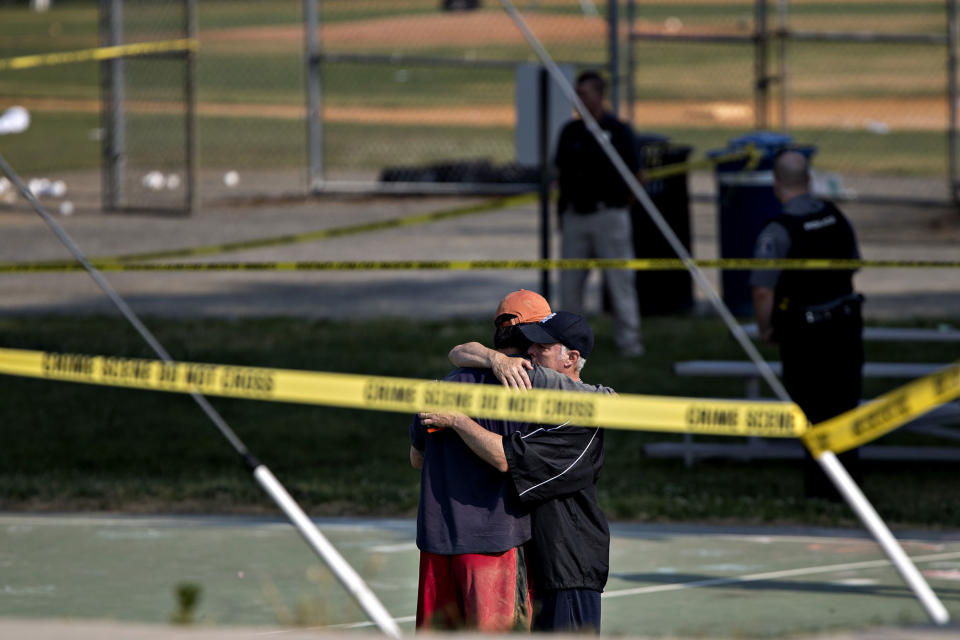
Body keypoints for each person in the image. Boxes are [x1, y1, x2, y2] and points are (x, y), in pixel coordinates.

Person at [409, 290, 609, 631]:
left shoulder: (446, 384)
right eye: (534, 339)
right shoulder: (529, 393)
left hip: (442, 543)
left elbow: (417, 457)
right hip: (497, 545)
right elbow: (506, 458)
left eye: (542, 344)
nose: (533, 349)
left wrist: (458, 420)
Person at [750, 150, 864, 500]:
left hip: (806, 336)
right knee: (845, 407)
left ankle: (821, 492)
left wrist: (766, 328)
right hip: (846, 328)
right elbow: (853, 266)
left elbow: (762, 290)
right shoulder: (835, 216)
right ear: (809, 180)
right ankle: (850, 490)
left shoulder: (778, 230)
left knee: (812, 413)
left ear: (776, 184)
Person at [554, 69, 644, 357]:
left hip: (610, 216)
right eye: (577, 94)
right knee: (570, 287)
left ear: (600, 94)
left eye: (585, 93)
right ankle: (566, 348)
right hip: (575, 218)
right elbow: (559, 174)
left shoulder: (619, 131)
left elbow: (637, 176)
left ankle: (629, 342)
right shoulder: (570, 132)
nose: (579, 99)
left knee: (620, 284)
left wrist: (619, 206)